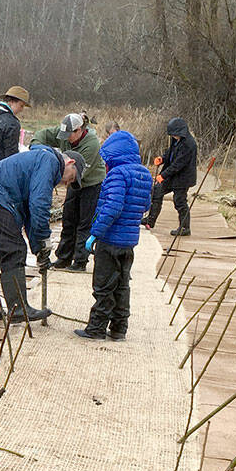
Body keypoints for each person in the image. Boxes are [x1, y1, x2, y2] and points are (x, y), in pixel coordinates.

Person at [0, 145, 83, 321]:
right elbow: (39, 205)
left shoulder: (38, 161)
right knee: (14, 250)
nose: (67, 184)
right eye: (71, 178)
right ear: (70, 162)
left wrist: (38, 249)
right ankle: (18, 310)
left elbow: (28, 215)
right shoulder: (49, 162)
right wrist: (44, 238)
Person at [75, 130, 154, 341]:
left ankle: (96, 329)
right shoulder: (145, 174)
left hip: (110, 239)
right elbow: (146, 205)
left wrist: (95, 234)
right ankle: (119, 328)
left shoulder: (118, 174)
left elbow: (112, 207)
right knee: (122, 285)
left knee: (103, 286)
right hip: (129, 242)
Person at [31, 112, 106, 272]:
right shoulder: (64, 134)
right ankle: (64, 258)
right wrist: (37, 148)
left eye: (69, 135)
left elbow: (78, 173)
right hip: (73, 180)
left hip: (90, 183)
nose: (65, 138)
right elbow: (41, 134)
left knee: (83, 222)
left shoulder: (91, 144)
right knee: (68, 219)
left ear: (79, 130)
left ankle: (80, 261)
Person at [144, 116, 198, 235]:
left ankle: (185, 228)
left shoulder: (189, 144)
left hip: (183, 178)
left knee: (179, 201)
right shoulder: (176, 140)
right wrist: (162, 159)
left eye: (175, 134)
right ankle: (150, 220)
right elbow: (170, 152)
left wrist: (163, 175)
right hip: (172, 175)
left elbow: (179, 164)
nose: (173, 136)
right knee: (157, 191)